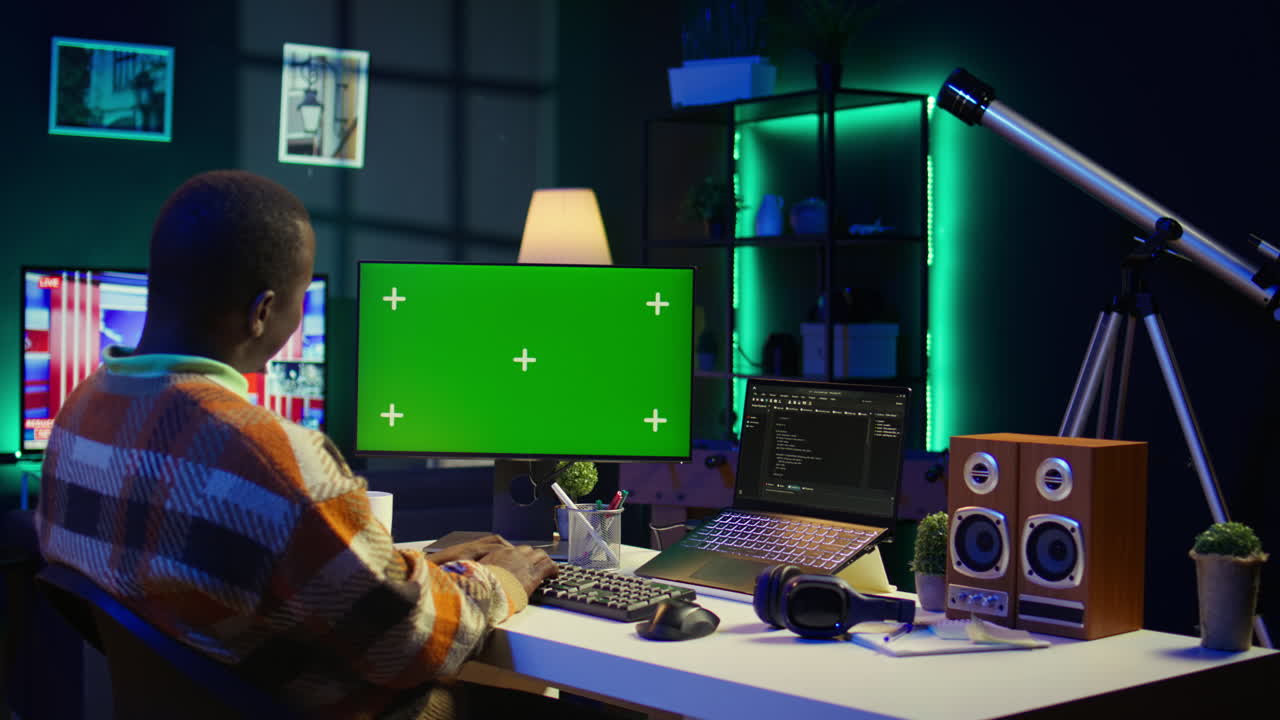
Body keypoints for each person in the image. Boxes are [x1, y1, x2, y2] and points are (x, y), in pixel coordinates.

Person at [34, 170, 564, 719]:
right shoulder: (272, 458)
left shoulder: (79, 413)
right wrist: (500, 579)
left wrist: (411, 568)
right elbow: (410, 644)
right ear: (262, 311)